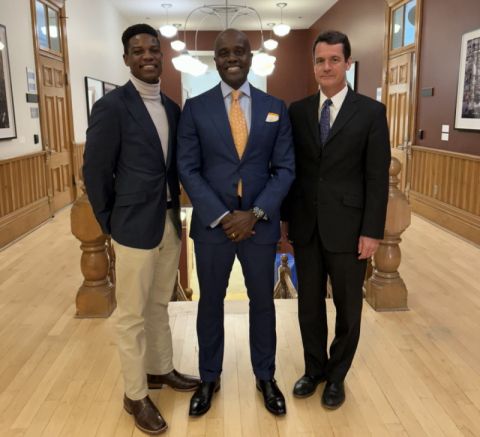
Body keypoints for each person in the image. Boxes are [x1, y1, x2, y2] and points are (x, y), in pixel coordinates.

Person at [83, 23, 200, 435]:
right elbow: (95, 171)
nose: (148, 56)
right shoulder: (112, 107)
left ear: (162, 57)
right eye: (138, 51)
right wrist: (109, 222)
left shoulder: (171, 107)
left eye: (154, 50)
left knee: (159, 305)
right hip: (131, 226)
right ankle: (135, 394)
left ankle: (160, 369)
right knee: (131, 315)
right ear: (127, 59)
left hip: (168, 221)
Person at [177, 28, 295, 417]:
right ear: (215, 60)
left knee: (263, 303)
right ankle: (209, 376)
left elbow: (285, 169)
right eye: (224, 52)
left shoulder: (274, 106)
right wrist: (224, 215)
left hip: (259, 226)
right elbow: (188, 169)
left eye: (239, 51)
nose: (232, 58)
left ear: (250, 57)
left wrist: (256, 213)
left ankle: (266, 376)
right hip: (214, 228)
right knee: (210, 303)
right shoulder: (195, 108)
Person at [282, 30, 391, 409]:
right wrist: (285, 220)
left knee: (348, 308)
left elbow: (377, 177)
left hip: (350, 229)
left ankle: (337, 376)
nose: (326, 67)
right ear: (312, 65)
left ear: (347, 63)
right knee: (308, 305)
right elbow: (289, 169)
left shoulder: (371, 112)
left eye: (333, 60)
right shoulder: (296, 111)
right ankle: (314, 370)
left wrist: (372, 231)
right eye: (319, 60)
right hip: (307, 227)